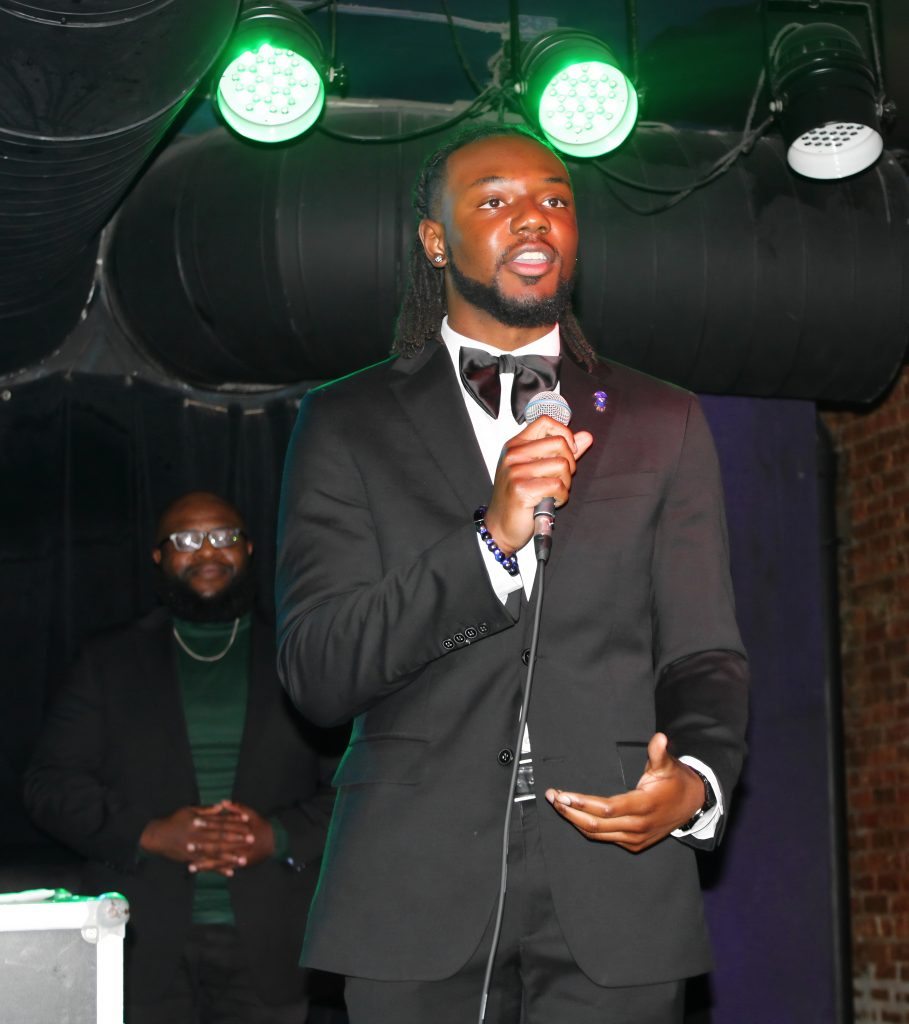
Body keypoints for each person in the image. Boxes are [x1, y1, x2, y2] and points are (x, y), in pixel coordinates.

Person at [275, 123, 749, 1023]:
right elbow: (318, 670)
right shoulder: (345, 421)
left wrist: (693, 779)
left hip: (617, 873)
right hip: (411, 881)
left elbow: (703, 653)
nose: (534, 217)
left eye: (555, 200)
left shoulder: (662, 419)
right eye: (495, 200)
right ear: (435, 240)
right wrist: (487, 544)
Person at [25, 490, 338, 1024]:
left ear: (249, 549)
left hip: (273, 940)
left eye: (223, 536)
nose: (207, 551)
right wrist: (148, 833)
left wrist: (278, 836)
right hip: (137, 939)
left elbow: (357, 784)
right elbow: (48, 785)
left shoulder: (300, 658)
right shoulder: (107, 662)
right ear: (159, 556)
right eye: (187, 540)